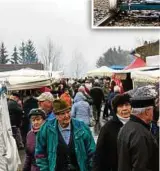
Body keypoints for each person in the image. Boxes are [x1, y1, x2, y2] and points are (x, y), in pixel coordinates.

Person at [35, 99, 96, 171]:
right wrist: (45, 169)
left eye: (68, 112)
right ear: (56, 115)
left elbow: (92, 151)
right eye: (63, 113)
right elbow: (40, 153)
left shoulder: (81, 126)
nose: (67, 115)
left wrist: (91, 168)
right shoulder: (46, 128)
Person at [117, 96, 159, 171]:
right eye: (152, 110)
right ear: (146, 112)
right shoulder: (141, 134)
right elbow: (140, 167)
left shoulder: (126, 127)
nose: (154, 113)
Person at [93, 94, 131, 171]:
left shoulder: (138, 124)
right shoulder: (107, 128)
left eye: (127, 105)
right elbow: (99, 154)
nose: (124, 108)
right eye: (120, 106)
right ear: (115, 109)